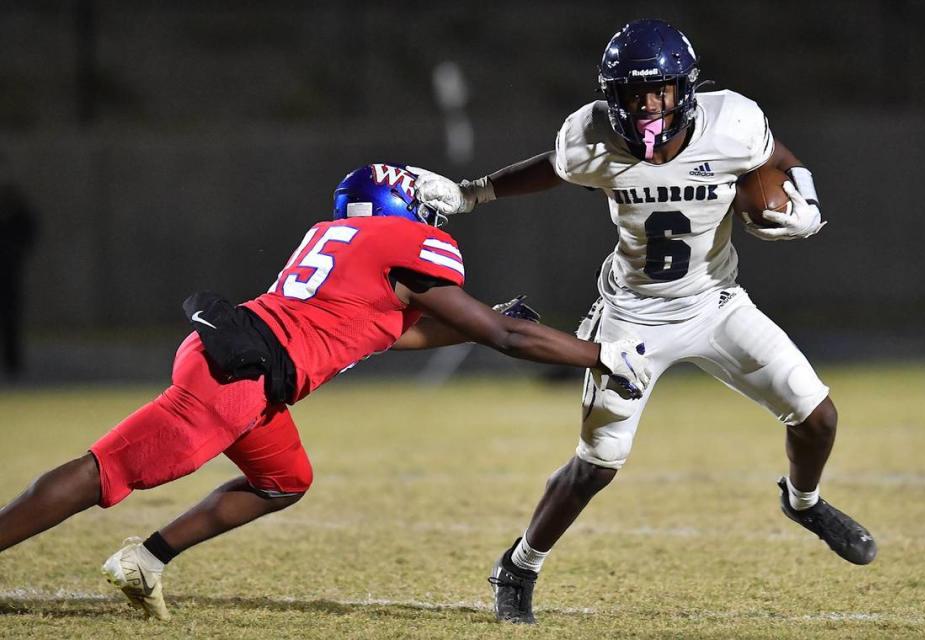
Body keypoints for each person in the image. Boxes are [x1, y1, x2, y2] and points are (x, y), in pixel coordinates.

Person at [0, 163, 650, 621]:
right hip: (238, 380)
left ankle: (147, 558)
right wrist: (603, 355)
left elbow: (383, 335)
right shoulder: (409, 244)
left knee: (283, 480)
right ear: (403, 210)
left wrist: (485, 322)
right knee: (102, 471)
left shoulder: (337, 241)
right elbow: (506, 338)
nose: (432, 219)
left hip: (244, 363)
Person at [413, 19, 877, 624]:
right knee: (596, 464)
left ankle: (803, 500)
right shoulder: (592, 138)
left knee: (817, 417)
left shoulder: (731, 121)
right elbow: (557, 167)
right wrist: (474, 194)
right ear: (613, 96)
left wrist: (805, 200)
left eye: (658, 91)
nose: (647, 105)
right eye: (633, 93)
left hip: (716, 301)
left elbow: (772, 157)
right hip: (631, 317)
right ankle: (519, 565)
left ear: (684, 89)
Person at [0, 180, 40, 379]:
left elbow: (29, 232)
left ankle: (12, 364)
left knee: (11, 316)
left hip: (10, 272)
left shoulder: (18, 213)